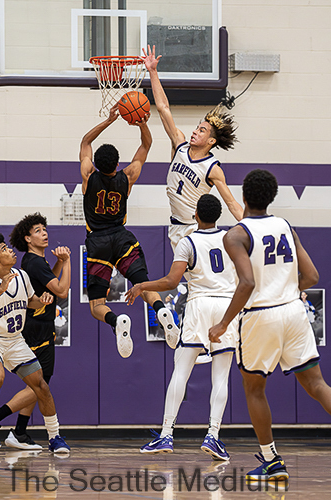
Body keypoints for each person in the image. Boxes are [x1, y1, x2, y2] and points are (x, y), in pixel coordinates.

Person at [209, 169, 331, 482]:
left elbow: (247, 282)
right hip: (293, 310)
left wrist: (224, 323)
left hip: (260, 315)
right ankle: (270, 461)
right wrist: (288, 289)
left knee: (254, 388)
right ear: (271, 197)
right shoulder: (286, 226)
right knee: (317, 385)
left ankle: (272, 461)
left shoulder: (235, 235)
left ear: (244, 196)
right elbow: (313, 277)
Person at [125, 194, 238, 459]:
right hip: (226, 307)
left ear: (195, 215)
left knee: (181, 370)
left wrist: (143, 285)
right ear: (218, 215)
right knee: (221, 376)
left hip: (199, 305)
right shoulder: (232, 240)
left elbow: (172, 282)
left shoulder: (188, 241)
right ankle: (213, 436)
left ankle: (166, 434)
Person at [79, 104, 180, 358]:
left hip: (97, 243)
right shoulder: (128, 176)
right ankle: (161, 309)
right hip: (123, 238)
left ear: (96, 164)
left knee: (96, 305)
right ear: (117, 163)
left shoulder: (88, 175)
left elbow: (85, 141)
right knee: (143, 284)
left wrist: (109, 121)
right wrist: (141, 122)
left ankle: (116, 322)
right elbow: (146, 145)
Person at [0, 232, 70, 454]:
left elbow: (31, 303)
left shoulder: (22, 276)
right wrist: (0, 290)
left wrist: (42, 301)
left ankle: (55, 437)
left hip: (15, 341)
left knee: (41, 386)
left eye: (8, 247)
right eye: (4, 249)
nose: (10, 250)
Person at [142, 45, 243, 251]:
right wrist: (153, 72)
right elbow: (163, 108)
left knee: (197, 279)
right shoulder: (179, 143)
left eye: (203, 130)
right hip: (176, 227)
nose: (196, 131)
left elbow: (231, 203)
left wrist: (253, 228)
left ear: (211, 141)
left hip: (195, 229)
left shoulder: (212, 168)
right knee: (191, 280)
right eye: (198, 127)